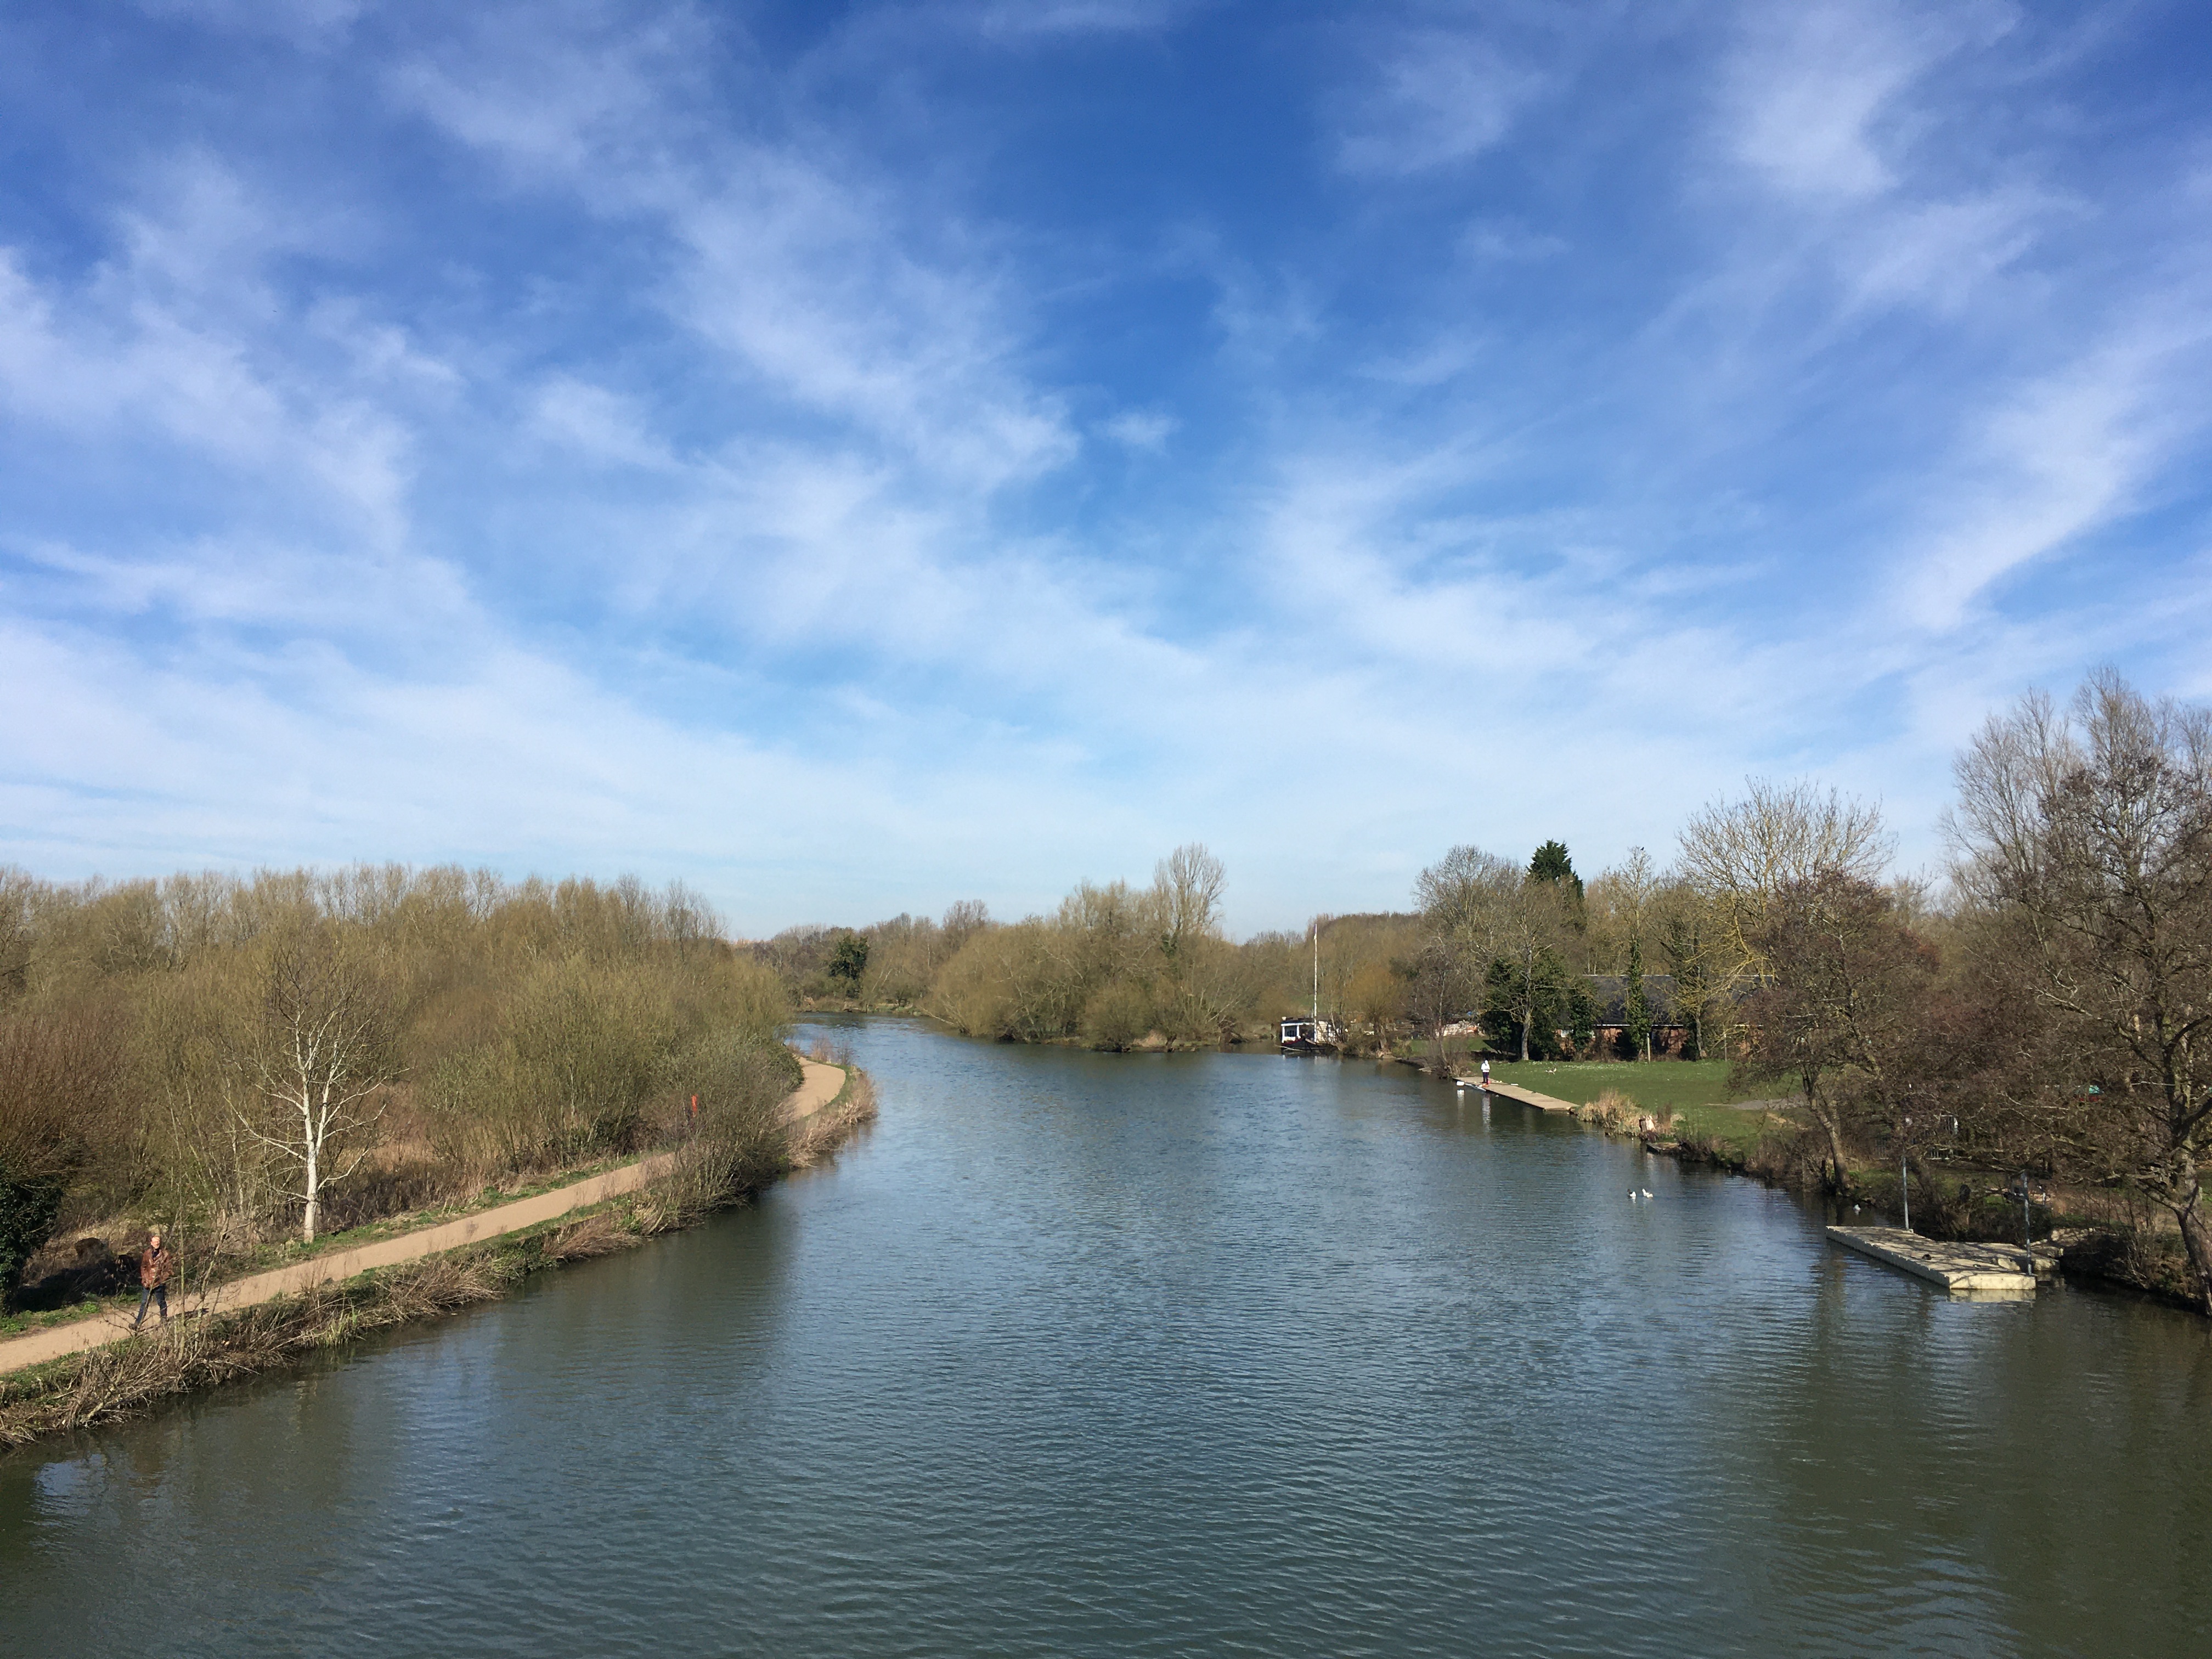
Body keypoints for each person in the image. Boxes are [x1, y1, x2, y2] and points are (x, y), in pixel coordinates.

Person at [133, 1231, 174, 1329]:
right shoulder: (147, 1254)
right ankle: (138, 1324)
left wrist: (162, 1279)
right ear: (151, 1243)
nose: (157, 1244)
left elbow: (169, 1270)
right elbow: (143, 1267)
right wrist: (145, 1278)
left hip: (159, 1283)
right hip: (147, 1283)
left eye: (158, 1242)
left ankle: (164, 1320)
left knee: (161, 1302)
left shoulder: (165, 1255)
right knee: (144, 1303)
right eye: (155, 1242)